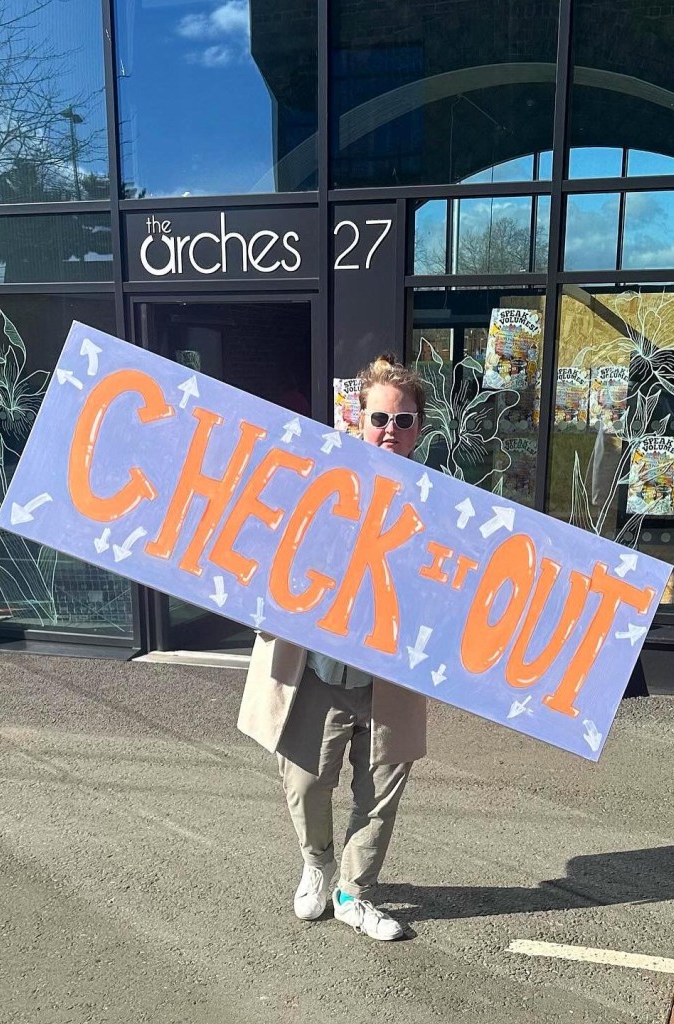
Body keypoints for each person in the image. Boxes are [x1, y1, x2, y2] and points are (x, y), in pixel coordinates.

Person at [238, 352, 427, 941]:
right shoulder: (315, 482)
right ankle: (317, 863)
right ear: (357, 421)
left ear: (420, 426)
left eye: (403, 420)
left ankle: (355, 892)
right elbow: (264, 548)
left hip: (391, 676)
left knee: (380, 792)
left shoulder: (441, 504)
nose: (389, 431)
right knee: (304, 781)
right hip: (318, 669)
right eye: (379, 419)